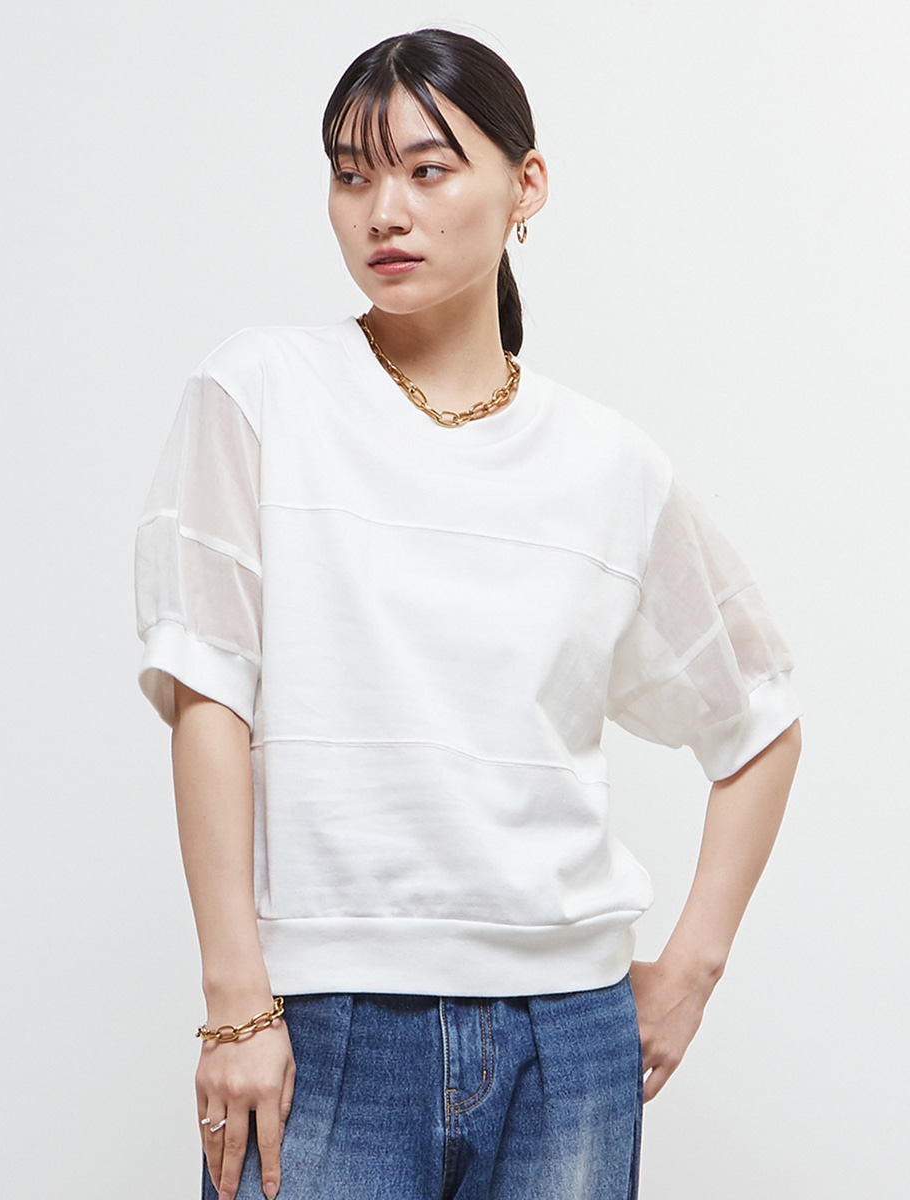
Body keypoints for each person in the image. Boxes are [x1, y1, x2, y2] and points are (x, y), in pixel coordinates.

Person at [134, 28, 802, 1200]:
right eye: (352, 175)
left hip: (569, 1038)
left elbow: (758, 719)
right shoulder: (260, 393)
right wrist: (236, 1002)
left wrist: (690, 970)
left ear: (525, 185)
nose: (384, 211)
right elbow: (209, 694)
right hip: (327, 1023)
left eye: (427, 169)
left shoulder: (607, 463)